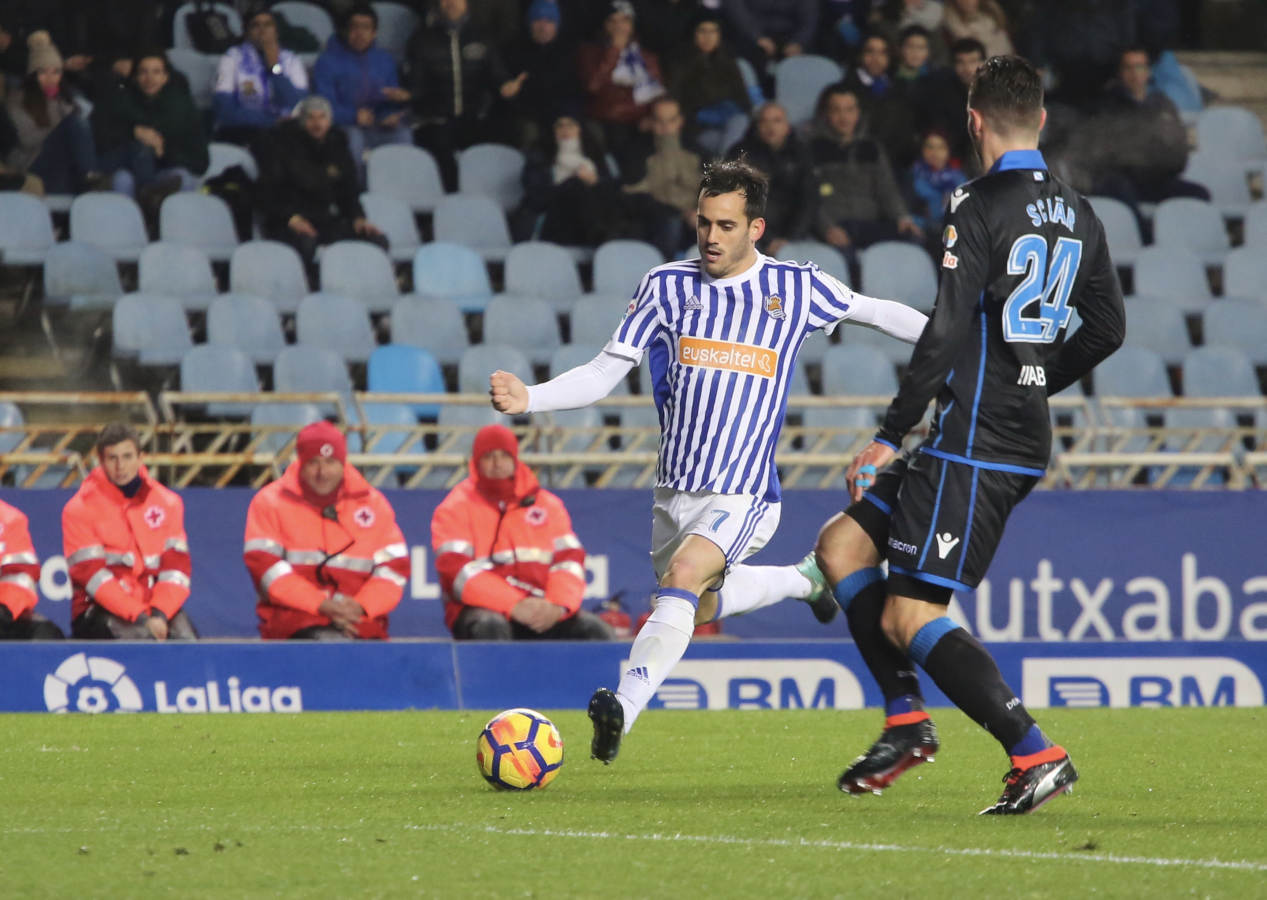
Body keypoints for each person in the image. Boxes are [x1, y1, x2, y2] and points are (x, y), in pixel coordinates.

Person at [488, 157, 928, 764]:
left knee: (685, 577)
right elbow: (603, 372)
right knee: (696, 600)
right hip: (674, 491)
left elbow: (878, 311)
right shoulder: (665, 286)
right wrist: (531, 397)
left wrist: (953, 343)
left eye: (726, 225)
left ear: (755, 228)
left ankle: (622, 709)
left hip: (744, 491)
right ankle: (805, 581)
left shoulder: (795, 287)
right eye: (703, 223)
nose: (711, 237)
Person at [813, 55, 1125, 815]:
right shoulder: (1080, 212)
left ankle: (1035, 752)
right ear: (1040, 119)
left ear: (974, 120)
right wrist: (1035, 378)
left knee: (909, 614)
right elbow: (1108, 329)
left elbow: (947, 326)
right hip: (995, 430)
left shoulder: (976, 204)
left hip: (977, 441)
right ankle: (905, 722)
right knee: (841, 547)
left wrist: (889, 433)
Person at [432, 424, 614, 640]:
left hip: (542, 608)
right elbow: (455, 571)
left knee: (595, 630)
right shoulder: (455, 506)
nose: (497, 463)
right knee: (490, 626)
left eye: (504, 455)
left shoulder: (548, 505)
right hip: (481, 609)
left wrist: (558, 606)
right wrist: (514, 604)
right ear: (476, 461)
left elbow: (570, 561)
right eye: (489, 456)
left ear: (515, 459)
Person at [244, 421, 410, 640]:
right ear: (300, 463)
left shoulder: (374, 505)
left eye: (331, 462)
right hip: (293, 621)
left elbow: (394, 569)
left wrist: (361, 606)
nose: (322, 472)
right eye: (313, 463)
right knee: (332, 643)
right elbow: (265, 568)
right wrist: (321, 605)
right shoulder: (269, 502)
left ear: (343, 462)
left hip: (359, 620)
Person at [63, 423, 197, 640]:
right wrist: (141, 617)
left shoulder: (168, 502)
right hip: (97, 610)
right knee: (143, 639)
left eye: (127, 457)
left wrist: (160, 613)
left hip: (156, 608)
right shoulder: (79, 508)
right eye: (112, 458)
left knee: (189, 644)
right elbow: (92, 577)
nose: (120, 466)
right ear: (101, 460)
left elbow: (176, 569)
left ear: (140, 457)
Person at [1069, 47, 1209, 222]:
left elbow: (1178, 151)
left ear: (1148, 71)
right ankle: (1144, 234)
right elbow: (1106, 152)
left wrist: (1152, 156)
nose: (1135, 74)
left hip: (1156, 177)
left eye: (1140, 67)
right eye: (1128, 68)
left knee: (1199, 194)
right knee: (1117, 187)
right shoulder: (1107, 106)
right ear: (1120, 72)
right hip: (1122, 179)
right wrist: (1148, 151)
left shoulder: (1162, 105)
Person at [256, 95, 387, 268]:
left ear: (329, 120)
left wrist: (358, 218)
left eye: (322, 117)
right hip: (288, 221)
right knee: (306, 244)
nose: (317, 124)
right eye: (311, 118)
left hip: (326, 219)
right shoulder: (281, 146)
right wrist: (291, 218)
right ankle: (309, 281)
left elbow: (349, 191)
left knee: (375, 239)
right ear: (302, 121)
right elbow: (267, 193)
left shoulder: (337, 145)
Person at [810, 83, 921, 280]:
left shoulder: (872, 148)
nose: (844, 117)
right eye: (836, 110)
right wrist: (827, 228)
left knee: (914, 240)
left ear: (858, 113)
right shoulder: (812, 149)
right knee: (847, 262)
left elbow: (887, 190)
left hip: (870, 225)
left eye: (849, 110)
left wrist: (903, 217)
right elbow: (809, 198)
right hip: (837, 227)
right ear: (826, 114)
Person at [404, 0, 513, 192]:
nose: (451, 3)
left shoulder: (482, 36)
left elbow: (498, 75)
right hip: (436, 120)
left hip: (474, 118)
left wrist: (506, 86)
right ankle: (453, 202)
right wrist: (407, 96)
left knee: (497, 142)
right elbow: (415, 87)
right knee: (441, 148)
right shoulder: (422, 40)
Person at [92, 50, 209, 202]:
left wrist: (162, 151)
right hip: (130, 170)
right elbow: (101, 140)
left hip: (164, 171)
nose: (150, 79)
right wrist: (133, 132)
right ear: (135, 77)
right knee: (123, 178)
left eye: (156, 72)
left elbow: (200, 162)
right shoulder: (119, 101)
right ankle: (145, 201)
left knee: (183, 177)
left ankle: (152, 200)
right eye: (143, 72)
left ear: (166, 77)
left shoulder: (183, 108)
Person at [312, 3, 412, 180]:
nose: (360, 33)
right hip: (343, 127)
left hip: (377, 127)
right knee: (354, 138)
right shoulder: (327, 61)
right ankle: (355, 190)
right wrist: (353, 116)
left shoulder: (385, 60)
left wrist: (391, 116)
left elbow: (390, 100)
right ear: (345, 30)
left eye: (366, 28)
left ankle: (398, 189)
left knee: (403, 135)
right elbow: (323, 105)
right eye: (354, 27)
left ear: (374, 32)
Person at [4, 32, 104, 194]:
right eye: (43, 72)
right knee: (75, 123)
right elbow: (27, 139)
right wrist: (60, 117)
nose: (50, 78)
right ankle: (89, 176)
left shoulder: (66, 97)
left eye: (56, 72)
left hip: (62, 161)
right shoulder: (17, 99)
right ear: (33, 75)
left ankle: (90, 180)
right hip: (32, 162)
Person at [576, 1, 665, 182]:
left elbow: (658, 93)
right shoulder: (590, 52)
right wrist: (614, 51)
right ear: (605, 25)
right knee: (623, 148)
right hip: (609, 121)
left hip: (642, 120)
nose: (619, 26)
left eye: (625, 20)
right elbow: (593, 85)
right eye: (613, 21)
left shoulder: (646, 56)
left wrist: (652, 117)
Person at [725, 101, 816, 255]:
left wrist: (790, 239)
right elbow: (735, 201)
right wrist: (765, 238)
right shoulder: (739, 154)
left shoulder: (802, 153)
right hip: (749, 233)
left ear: (787, 126)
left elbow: (808, 200)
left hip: (793, 235)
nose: (770, 127)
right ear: (756, 126)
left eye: (777, 121)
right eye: (764, 121)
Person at [212, 6, 309, 146]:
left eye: (268, 25)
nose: (262, 30)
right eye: (255, 25)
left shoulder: (291, 60)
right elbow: (225, 112)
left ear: (276, 31)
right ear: (247, 32)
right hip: (243, 131)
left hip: (285, 133)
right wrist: (271, 121)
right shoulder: (231, 58)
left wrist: (275, 68)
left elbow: (298, 106)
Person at [620, 96, 702, 259]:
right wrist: (681, 213)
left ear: (680, 121)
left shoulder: (697, 150)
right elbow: (633, 193)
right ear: (650, 122)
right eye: (659, 121)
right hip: (657, 218)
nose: (665, 127)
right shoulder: (637, 152)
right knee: (670, 223)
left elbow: (712, 187)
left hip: (695, 214)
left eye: (671, 120)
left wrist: (700, 211)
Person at [669, 11, 752, 157]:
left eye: (713, 31)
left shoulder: (729, 63)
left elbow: (744, 101)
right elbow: (676, 103)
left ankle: (725, 165)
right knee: (728, 145)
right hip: (698, 130)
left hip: (730, 125)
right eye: (702, 31)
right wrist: (699, 115)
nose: (708, 37)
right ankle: (727, 165)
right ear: (693, 34)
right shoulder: (680, 64)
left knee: (739, 121)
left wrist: (728, 110)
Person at [0, 498, 65, 640]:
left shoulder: (9, 519)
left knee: (45, 633)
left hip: (3, 612)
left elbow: (20, 578)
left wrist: (5, 609)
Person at [906, 128, 966, 232]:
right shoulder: (913, 175)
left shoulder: (958, 178)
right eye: (930, 147)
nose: (935, 152)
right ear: (922, 150)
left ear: (949, 150)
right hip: (918, 230)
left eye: (941, 147)